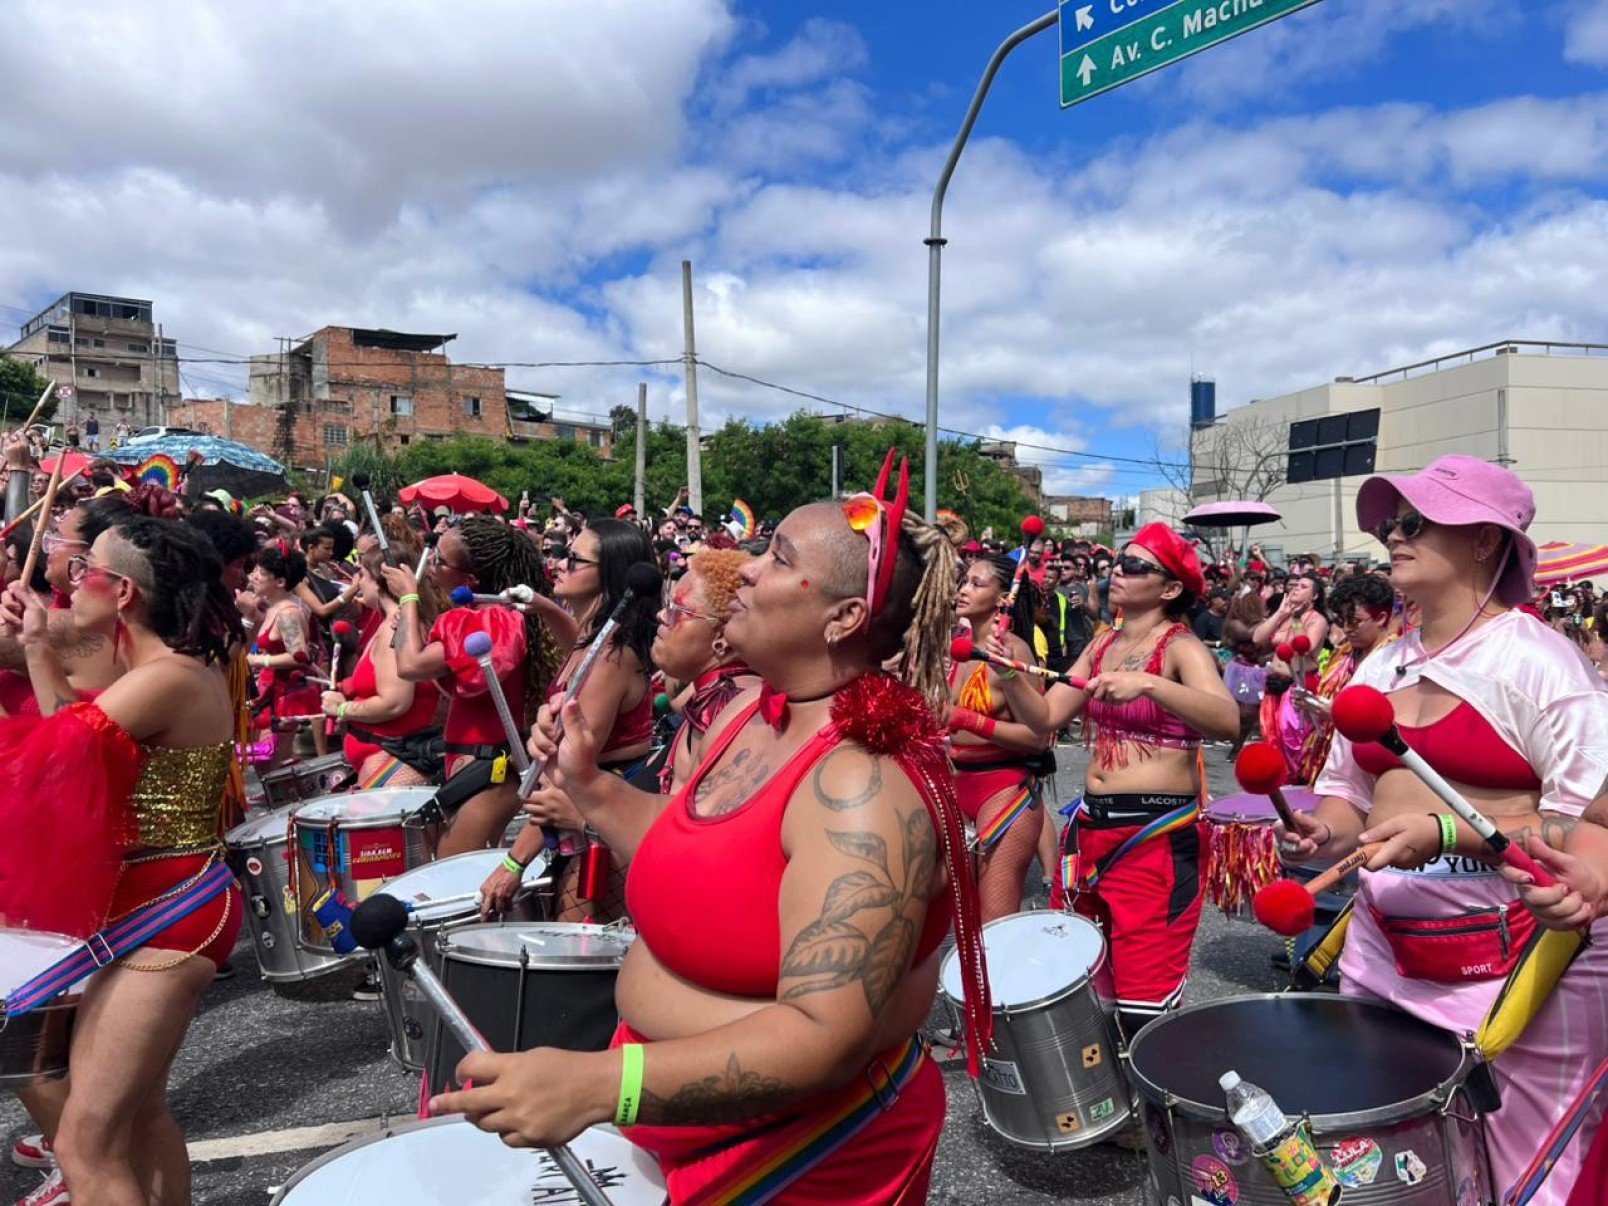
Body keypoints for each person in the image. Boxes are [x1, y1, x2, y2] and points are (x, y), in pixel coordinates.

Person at [435, 458, 989, 1203]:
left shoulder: (863, 783)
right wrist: (587, 782)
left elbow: (827, 1035)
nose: (746, 573)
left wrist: (604, 1084)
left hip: (799, 1152)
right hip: (686, 1126)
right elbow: (698, 856)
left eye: (778, 558)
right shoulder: (754, 713)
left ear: (844, 617)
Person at [1280, 456, 1608, 1206]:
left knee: (1530, 1180)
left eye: (1416, 520)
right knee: (1401, 1173)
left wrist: (1446, 829)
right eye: (1393, 522)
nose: (1394, 534)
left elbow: (1587, 828)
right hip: (1382, 956)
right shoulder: (1379, 668)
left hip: (1520, 973)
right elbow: (1347, 800)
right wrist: (1314, 831)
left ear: (1487, 541)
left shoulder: (1544, 667)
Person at [0, 514, 244, 1206]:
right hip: (147, 903)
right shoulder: (141, 669)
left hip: (172, 912)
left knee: (84, 1141)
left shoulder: (171, 674)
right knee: (137, 1117)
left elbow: (55, 760)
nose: (68, 580)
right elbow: (68, 736)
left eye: (84, 570)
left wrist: (41, 647)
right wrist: (37, 644)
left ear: (125, 593)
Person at [993, 522, 1237, 1034]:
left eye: (1135, 566)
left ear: (1170, 589)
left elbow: (1226, 720)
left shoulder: (1180, 646)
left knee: (1142, 1001)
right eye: (1119, 563)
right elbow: (1045, 719)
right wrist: (1010, 672)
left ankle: (1155, 1107)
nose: (1117, 573)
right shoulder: (1102, 645)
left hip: (1155, 837)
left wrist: (1149, 684)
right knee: (1081, 979)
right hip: (1091, 829)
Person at [491, 518, 658, 921]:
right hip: (580, 808)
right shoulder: (593, 641)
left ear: (610, 575)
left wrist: (514, 864)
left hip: (594, 817)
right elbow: (577, 646)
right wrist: (545, 607)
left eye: (574, 558)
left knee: (575, 946)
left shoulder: (610, 658)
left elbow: (570, 773)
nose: (559, 562)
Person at [390, 515, 571, 857]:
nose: (430, 567)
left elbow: (409, 665)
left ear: (470, 579)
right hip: (473, 765)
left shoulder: (490, 620)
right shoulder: (482, 614)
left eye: (439, 561)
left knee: (454, 874)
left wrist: (408, 599)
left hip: (488, 770)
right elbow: (450, 683)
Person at [948, 553, 1050, 921]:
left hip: (1004, 789)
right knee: (957, 920)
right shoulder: (956, 648)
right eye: (964, 581)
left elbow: (1038, 738)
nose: (963, 590)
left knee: (994, 924)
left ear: (1003, 598)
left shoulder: (1013, 651)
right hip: (956, 785)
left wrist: (967, 720)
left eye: (977, 584)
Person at [321, 547, 443, 790]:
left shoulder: (395, 628)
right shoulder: (391, 622)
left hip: (392, 758)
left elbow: (395, 702)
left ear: (381, 582)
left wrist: (342, 708)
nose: (357, 583)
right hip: (382, 756)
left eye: (362, 575)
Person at [1295, 572, 1396, 782]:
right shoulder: (1343, 652)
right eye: (1342, 621)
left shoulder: (1395, 660)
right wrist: (1312, 706)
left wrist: (1338, 714)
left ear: (1381, 618)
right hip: (1329, 759)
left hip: (1367, 770)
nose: (1347, 629)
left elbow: (1390, 723)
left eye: (1355, 621)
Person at [244, 544, 322, 762]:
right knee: (266, 759)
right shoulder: (271, 607)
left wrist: (258, 659)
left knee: (274, 759)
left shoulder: (288, 613)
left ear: (279, 582)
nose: (254, 576)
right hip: (269, 690)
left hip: (283, 694)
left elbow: (299, 655)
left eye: (261, 573)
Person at [1252, 570, 1330, 775]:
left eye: (1303, 587)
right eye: (1295, 585)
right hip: (1275, 685)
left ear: (1314, 596)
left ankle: (1298, 784)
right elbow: (1258, 638)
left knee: (1294, 742)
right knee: (1272, 738)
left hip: (1297, 686)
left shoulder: (1317, 619)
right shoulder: (1285, 616)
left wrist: (1296, 620)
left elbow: (1305, 648)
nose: (1296, 588)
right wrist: (1281, 613)